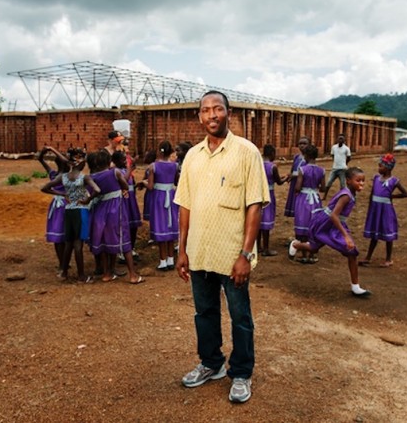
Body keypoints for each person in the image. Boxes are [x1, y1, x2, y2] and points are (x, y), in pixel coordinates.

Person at [175, 90, 270, 404]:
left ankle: (241, 373)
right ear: (199, 116)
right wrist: (182, 249)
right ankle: (211, 363)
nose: (212, 115)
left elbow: (255, 206)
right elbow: (184, 205)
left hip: (232, 255)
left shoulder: (246, 152)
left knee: (240, 316)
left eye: (218, 109)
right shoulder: (192, 156)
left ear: (229, 113)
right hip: (200, 251)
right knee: (204, 313)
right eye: (205, 110)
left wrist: (245, 254)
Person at [288, 167, 371, 298]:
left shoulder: (351, 193)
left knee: (321, 249)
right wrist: (346, 236)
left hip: (333, 223)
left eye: (363, 181)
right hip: (326, 223)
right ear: (348, 181)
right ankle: (296, 245)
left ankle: (355, 286)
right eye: (358, 180)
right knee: (343, 249)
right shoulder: (346, 196)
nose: (361, 183)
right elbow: (334, 215)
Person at [41, 148, 99, 283]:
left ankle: (63, 272)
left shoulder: (63, 177)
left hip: (68, 210)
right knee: (78, 244)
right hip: (81, 210)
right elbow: (97, 190)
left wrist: (62, 194)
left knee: (68, 243)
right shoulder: (84, 178)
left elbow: (44, 188)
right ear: (79, 163)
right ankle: (81, 276)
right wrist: (87, 200)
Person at [87, 150, 145, 284]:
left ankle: (108, 273)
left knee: (106, 240)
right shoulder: (114, 172)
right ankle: (133, 275)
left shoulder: (92, 177)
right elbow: (124, 184)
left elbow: (92, 193)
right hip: (115, 210)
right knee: (124, 239)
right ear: (109, 162)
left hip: (99, 211)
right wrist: (122, 190)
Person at [360, 153, 407, 268]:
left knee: (387, 233)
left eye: (381, 166)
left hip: (386, 210)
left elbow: (405, 194)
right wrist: (370, 207)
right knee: (374, 234)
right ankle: (368, 257)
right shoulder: (376, 178)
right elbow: (372, 194)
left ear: (388, 168)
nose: (379, 168)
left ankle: (388, 259)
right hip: (376, 209)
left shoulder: (394, 181)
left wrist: (392, 197)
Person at [147, 140, 179, 271]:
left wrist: (144, 183)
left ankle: (163, 261)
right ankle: (171, 259)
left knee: (161, 226)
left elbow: (150, 186)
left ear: (158, 150)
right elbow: (177, 181)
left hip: (159, 198)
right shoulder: (175, 166)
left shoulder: (153, 166)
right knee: (170, 226)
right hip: (171, 196)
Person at [38, 145, 70, 274]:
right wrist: (52, 149)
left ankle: (63, 262)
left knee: (60, 236)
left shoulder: (54, 174)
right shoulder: (65, 176)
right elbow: (65, 161)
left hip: (57, 206)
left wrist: (46, 151)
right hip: (64, 205)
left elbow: (40, 159)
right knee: (62, 236)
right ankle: (63, 264)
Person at [292, 144, 325, 263]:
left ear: (305, 156)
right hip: (315, 199)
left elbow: (297, 187)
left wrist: (297, 192)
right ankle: (313, 255)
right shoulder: (321, 170)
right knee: (314, 225)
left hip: (303, 199)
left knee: (302, 225)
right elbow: (323, 188)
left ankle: (304, 255)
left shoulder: (303, 170)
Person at [258, 144, 288, 256]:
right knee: (266, 221)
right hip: (268, 195)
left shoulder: (258, 164)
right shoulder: (272, 167)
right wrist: (286, 178)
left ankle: (258, 247)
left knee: (258, 221)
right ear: (272, 154)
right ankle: (266, 249)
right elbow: (279, 182)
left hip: (258, 194)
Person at [283, 136, 309, 217]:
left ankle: (300, 212)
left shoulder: (309, 158)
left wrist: (294, 175)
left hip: (302, 181)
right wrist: (289, 176)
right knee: (293, 195)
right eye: (300, 144)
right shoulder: (296, 157)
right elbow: (293, 168)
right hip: (294, 180)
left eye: (304, 144)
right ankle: (293, 211)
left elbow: (308, 171)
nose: (302, 145)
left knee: (300, 196)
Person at [323, 134, 351, 200]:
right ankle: (324, 196)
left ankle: (342, 197)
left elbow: (349, 157)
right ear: (337, 139)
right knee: (329, 182)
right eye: (339, 138)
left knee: (343, 185)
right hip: (334, 168)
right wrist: (335, 162)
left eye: (342, 139)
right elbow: (332, 155)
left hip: (343, 169)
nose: (340, 140)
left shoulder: (346, 148)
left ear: (344, 140)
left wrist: (345, 163)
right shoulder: (334, 147)